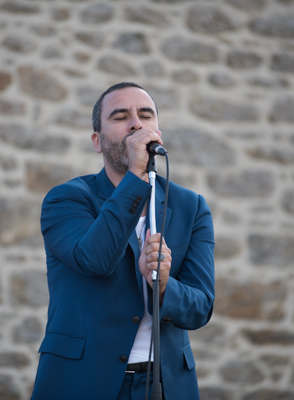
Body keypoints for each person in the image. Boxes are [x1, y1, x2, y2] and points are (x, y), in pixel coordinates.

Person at [31, 82, 215, 400]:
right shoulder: (67, 200)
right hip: (82, 382)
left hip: (166, 386)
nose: (136, 123)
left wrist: (163, 287)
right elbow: (95, 259)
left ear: (157, 129)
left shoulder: (191, 206)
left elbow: (201, 307)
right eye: (120, 116)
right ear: (97, 141)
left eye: (146, 114)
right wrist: (136, 176)